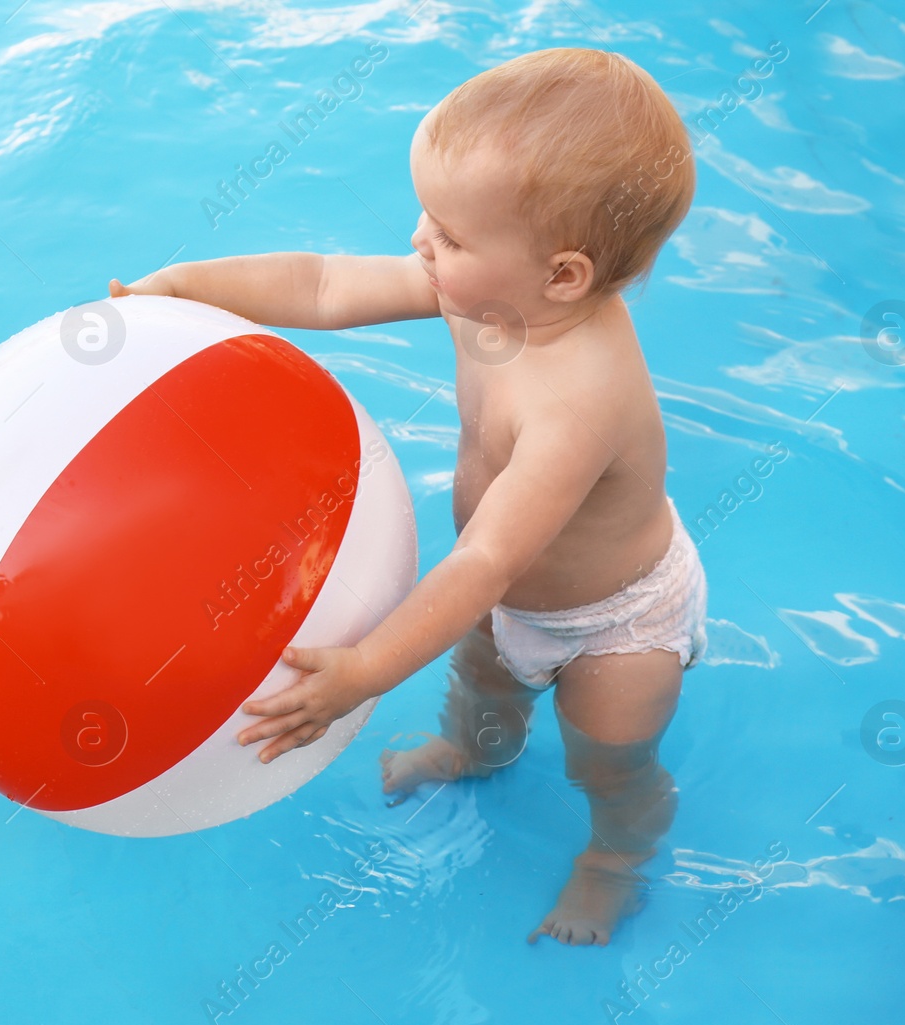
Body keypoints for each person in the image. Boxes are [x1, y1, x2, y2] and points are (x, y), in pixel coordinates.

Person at [109, 48, 703, 947]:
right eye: (430, 215)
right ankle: (473, 748)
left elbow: (487, 557)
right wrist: (186, 288)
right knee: (483, 680)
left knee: (607, 753)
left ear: (564, 275)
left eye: (452, 235)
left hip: (617, 620)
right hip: (503, 593)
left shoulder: (577, 400)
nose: (421, 239)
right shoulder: (491, 292)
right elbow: (322, 283)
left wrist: (367, 671)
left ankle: (614, 859)